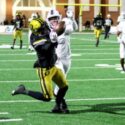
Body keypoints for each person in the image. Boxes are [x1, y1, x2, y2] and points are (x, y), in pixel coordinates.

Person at [11, 17, 69, 113]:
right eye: (43, 27)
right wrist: (53, 41)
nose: (45, 28)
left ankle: (58, 106)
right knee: (47, 97)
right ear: (37, 30)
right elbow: (45, 48)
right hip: (44, 70)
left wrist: (58, 28)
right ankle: (23, 90)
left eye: (44, 25)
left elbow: (60, 26)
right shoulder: (35, 39)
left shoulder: (44, 30)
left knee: (64, 86)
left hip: (53, 66)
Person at [47, 8, 78, 95]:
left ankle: (57, 95)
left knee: (62, 80)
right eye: (51, 18)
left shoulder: (64, 25)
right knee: (63, 81)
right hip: (57, 60)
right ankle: (60, 101)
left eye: (55, 17)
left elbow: (74, 28)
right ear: (48, 20)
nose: (54, 20)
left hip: (67, 58)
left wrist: (72, 19)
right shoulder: (47, 31)